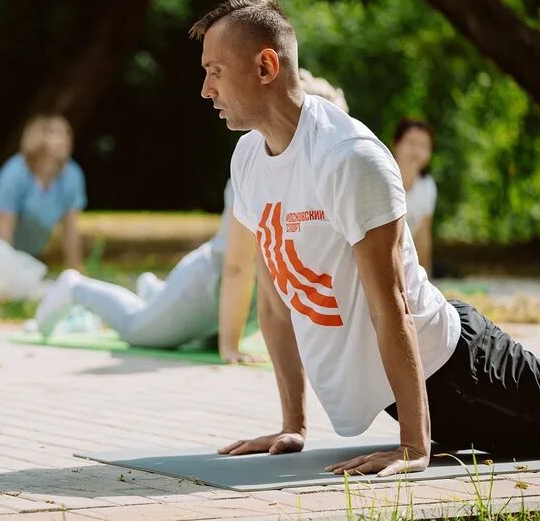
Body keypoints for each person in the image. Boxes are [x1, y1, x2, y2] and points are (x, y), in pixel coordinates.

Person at [191, 0, 540, 477]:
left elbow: (390, 302)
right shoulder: (249, 158)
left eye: (216, 70)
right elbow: (274, 302)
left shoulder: (349, 157)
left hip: (464, 371)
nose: (206, 89)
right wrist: (293, 424)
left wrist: (414, 448)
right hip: (414, 389)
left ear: (267, 65)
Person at [34, 72, 349, 364]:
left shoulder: (327, 177)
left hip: (247, 301)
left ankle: (155, 292)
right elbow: (237, 267)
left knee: (195, 340)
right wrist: (230, 346)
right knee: (137, 330)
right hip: (209, 287)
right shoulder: (255, 168)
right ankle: (77, 288)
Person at [0, 114, 86, 271]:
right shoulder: (16, 172)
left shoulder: (72, 175)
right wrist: (3, 269)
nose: (64, 139)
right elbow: (4, 226)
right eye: (55, 133)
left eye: (67, 133)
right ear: (38, 137)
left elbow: (70, 229)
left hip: (29, 249)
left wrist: (76, 271)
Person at [391, 119, 436, 275]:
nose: (417, 151)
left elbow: (423, 236)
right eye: (411, 143)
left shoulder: (427, 186)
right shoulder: (382, 180)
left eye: (424, 146)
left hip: (406, 265)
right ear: (395, 144)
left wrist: (427, 278)